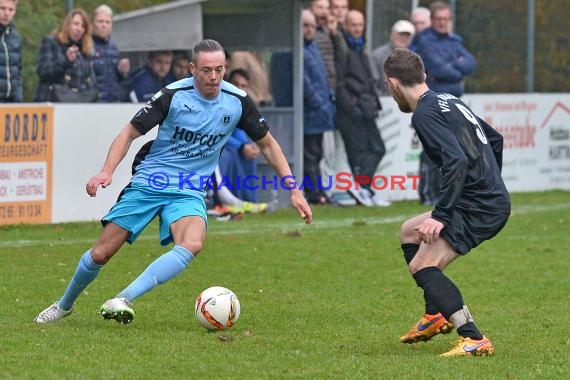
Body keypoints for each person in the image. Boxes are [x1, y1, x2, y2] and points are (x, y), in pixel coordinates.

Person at [33, 39, 312, 325]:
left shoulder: (237, 101)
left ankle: (123, 298)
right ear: (193, 68)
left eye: (219, 69)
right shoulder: (172, 95)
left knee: (192, 243)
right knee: (101, 253)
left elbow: (268, 144)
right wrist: (106, 171)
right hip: (151, 180)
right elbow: (129, 132)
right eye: (206, 70)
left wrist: (294, 190)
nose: (214, 77)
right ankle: (64, 305)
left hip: (189, 190)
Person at [383, 49, 510, 357]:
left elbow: (455, 161)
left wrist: (442, 215)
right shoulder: (449, 99)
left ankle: (473, 336)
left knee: (421, 264)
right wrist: (489, 183)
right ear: (423, 75)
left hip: (478, 204)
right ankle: (435, 313)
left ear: (393, 84)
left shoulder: (424, 113)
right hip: (481, 199)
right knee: (408, 231)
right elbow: (496, 140)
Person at [335, 10, 390, 207]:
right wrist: (350, 106)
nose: (357, 29)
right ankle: (362, 189)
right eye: (353, 25)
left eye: (360, 25)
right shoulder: (342, 48)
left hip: (366, 108)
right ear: (346, 26)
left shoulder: (360, 47)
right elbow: (338, 81)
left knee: (377, 148)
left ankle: (363, 188)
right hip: (352, 110)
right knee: (358, 152)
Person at [302, 9, 335, 205]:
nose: (309, 30)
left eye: (312, 26)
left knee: (317, 153)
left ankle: (319, 189)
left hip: (319, 111)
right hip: (308, 112)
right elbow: (304, 83)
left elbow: (321, 77)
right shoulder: (299, 49)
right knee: (310, 154)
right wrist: (318, 102)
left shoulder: (312, 46)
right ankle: (314, 194)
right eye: (305, 25)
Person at [219, 68, 265, 205]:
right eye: (236, 83)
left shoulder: (243, 104)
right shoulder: (220, 101)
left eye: (243, 86)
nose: (238, 88)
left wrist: (248, 145)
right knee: (231, 154)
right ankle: (235, 201)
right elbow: (218, 133)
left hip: (231, 145)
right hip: (216, 146)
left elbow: (240, 131)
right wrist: (241, 146)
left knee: (248, 154)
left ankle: (250, 201)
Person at [34, 9, 97, 102]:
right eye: (76, 24)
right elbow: (43, 71)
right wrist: (66, 61)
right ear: (67, 25)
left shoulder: (86, 51)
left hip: (76, 105)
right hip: (51, 102)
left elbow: (91, 81)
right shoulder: (51, 42)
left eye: (83, 26)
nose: (79, 29)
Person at [415, 1, 476, 97]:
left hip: (455, 98)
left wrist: (452, 64)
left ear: (450, 20)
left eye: (445, 19)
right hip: (434, 98)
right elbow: (440, 70)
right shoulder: (424, 41)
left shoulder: (454, 40)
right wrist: (459, 71)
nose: (442, 22)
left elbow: (471, 64)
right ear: (432, 20)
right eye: (439, 19)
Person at [91, 4, 130, 102]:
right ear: (92, 24)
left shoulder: (113, 46)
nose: (104, 25)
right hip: (93, 103)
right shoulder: (86, 45)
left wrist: (122, 72)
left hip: (113, 103)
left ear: (111, 26)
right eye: (100, 21)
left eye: (107, 22)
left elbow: (118, 80)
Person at [370, 20, 415, 97]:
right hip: (384, 101)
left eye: (407, 35)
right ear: (391, 35)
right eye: (401, 34)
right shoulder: (377, 55)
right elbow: (373, 84)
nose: (403, 38)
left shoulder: (414, 58)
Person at [0, 0, 22, 102]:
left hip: (12, 103)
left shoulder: (15, 37)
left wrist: (18, 96)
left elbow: (18, 71)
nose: (7, 13)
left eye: (11, 9)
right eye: (2, 8)